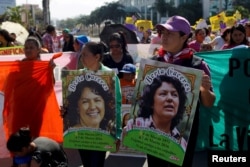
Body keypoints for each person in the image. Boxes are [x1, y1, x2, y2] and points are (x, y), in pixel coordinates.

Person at [147, 15, 215, 167]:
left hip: (182, 138)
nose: (164, 37)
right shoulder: (153, 63)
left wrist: (204, 89)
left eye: (170, 33)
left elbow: (209, 102)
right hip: (154, 136)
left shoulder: (198, 65)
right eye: (162, 33)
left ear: (184, 37)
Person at [63, 41, 122, 167]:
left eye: (85, 55)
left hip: (102, 134)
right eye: (81, 55)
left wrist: (117, 133)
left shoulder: (109, 75)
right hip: (82, 136)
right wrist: (65, 111)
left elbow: (116, 105)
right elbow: (71, 104)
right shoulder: (78, 75)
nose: (81, 58)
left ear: (97, 57)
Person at [126, 75, 188, 151]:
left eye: (174, 95)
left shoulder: (182, 144)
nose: (170, 98)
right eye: (163, 94)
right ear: (151, 102)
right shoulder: (134, 126)